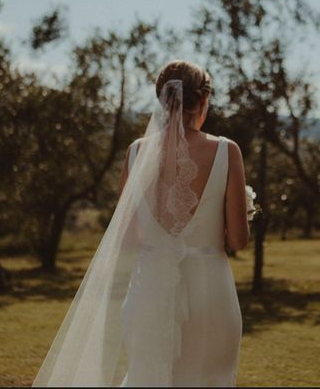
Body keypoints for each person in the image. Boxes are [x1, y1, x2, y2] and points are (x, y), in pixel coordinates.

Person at [33, 60, 250, 386]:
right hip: (210, 296)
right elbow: (237, 241)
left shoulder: (137, 153)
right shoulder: (226, 151)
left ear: (162, 99)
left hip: (149, 294)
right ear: (203, 100)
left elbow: (128, 236)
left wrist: (162, 240)